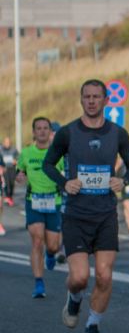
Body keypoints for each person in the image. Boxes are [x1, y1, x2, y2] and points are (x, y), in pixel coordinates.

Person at [43, 79, 129, 333]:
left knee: (105, 275)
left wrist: (123, 181)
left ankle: (93, 327)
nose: (91, 101)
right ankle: (74, 300)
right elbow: (48, 164)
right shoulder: (68, 133)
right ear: (81, 99)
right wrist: (64, 182)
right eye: (87, 96)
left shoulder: (118, 133)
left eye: (97, 96)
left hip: (106, 214)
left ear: (106, 100)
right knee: (79, 278)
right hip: (76, 214)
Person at [15, 117, 64, 298]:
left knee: (53, 246)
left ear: (50, 132)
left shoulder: (58, 153)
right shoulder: (26, 153)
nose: (42, 131)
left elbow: (66, 173)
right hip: (33, 202)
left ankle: (50, 255)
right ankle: (39, 283)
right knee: (37, 241)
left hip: (54, 201)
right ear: (34, 132)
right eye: (39, 128)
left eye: (45, 128)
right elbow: (20, 171)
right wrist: (20, 177)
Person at [1, 135, 18, 206]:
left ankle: (9, 197)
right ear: (3, 143)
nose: (7, 143)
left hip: (12, 168)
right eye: (6, 142)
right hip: (4, 169)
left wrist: (16, 160)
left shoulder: (14, 150)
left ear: (10, 143)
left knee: (12, 183)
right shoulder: (0, 150)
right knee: (6, 183)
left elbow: (19, 158)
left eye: (8, 142)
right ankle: (8, 197)